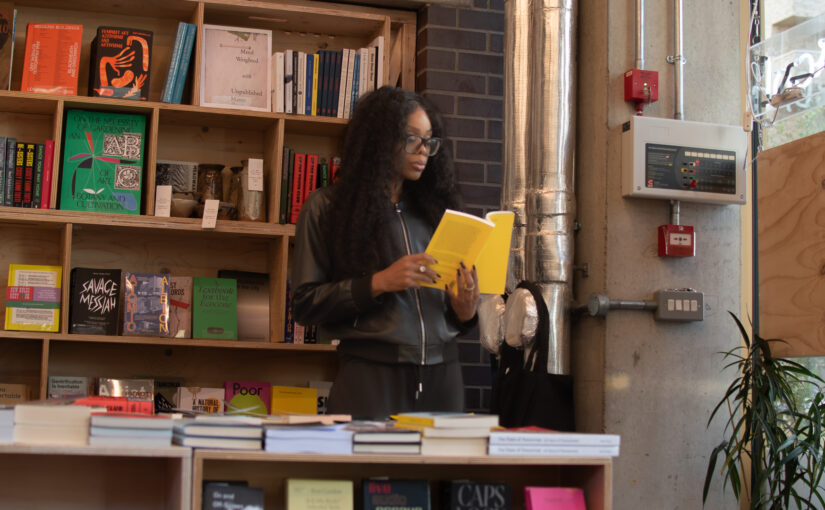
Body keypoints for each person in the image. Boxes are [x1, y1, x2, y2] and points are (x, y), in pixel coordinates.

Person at [291, 86, 480, 420]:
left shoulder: (438, 214)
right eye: (412, 139)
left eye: (430, 141)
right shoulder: (327, 208)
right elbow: (306, 304)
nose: (424, 151)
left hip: (444, 376)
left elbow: (446, 313)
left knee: (440, 473)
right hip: (370, 376)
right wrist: (377, 283)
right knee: (370, 472)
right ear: (379, 140)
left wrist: (465, 313)